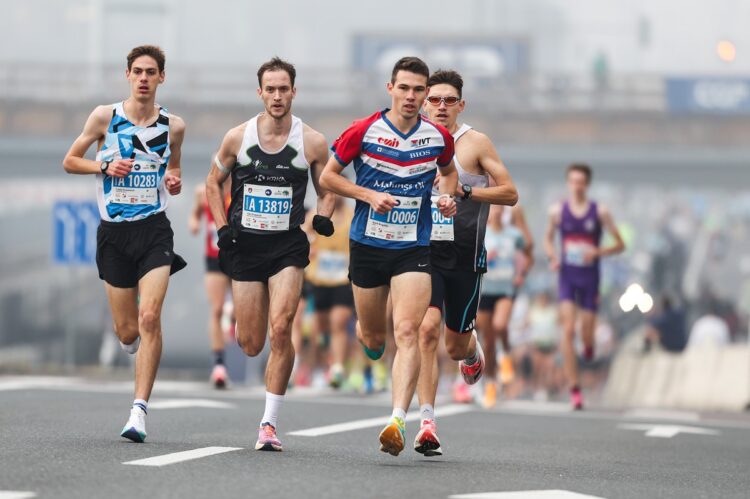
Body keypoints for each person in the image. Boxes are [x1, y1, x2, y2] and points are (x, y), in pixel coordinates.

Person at [320, 57, 458, 457]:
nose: (412, 97)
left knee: (409, 331)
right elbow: (329, 177)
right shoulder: (363, 130)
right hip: (367, 245)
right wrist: (367, 195)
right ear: (391, 88)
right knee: (375, 338)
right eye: (405, 88)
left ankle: (397, 418)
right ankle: (370, 343)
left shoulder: (437, 137)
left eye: (419, 90)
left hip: (413, 247)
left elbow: (447, 172)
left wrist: (443, 198)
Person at [205, 57, 334, 452]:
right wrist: (223, 227)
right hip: (245, 244)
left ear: (294, 91)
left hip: (287, 246)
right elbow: (213, 183)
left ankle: (268, 423)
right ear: (260, 92)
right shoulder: (237, 137)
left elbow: (328, 187)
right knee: (250, 342)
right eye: (270, 89)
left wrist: (322, 219)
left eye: (284, 89)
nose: (277, 96)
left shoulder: (311, 140)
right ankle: (251, 344)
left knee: (282, 328)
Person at [62, 45, 186, 442]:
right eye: (138, 71)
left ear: (162, 77)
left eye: (152, 71)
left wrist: (173, 180)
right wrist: (103, 165)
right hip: (113, 233)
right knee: (128, 330)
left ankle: (138, 411)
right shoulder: (105, 116)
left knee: (150, 316)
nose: (144, 78)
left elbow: (175, 165)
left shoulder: (174, 126)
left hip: (154, 230)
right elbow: (70, 160)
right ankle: (132, 341)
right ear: (128, 76)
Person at [415, 69, 518, 455]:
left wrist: (467, 191)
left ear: (461, 104)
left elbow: (509, 193)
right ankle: (427, 421)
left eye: (449, 100)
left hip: (464, 256)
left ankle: (471, 349)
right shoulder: (411, 139)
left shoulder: (475, 143)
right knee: (426, 329)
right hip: (422, 252)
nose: (441, 107)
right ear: (424, 101)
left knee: (453, 347)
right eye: (434, 99)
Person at [544, 163, 625, 410]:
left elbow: (620, 244)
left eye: (581, 182)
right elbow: (548, 240)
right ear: (568, 183)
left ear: (587, 184)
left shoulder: (600, 212)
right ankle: (575, 389)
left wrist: (597, 251)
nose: (577, 186)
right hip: (568, 276)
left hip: (590, 278)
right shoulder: (557, 211)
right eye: (573, 181)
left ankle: (588, 346)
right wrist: (554, 257)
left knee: (585, 333)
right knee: (568, 331)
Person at [476, 204, 529, 409]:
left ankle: (505, 354)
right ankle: (490, 383)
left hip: (505, 289)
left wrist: (520, 273)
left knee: (500, 325)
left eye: (499, 209)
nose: (496, 212)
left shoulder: (513, 234)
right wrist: (486, 259)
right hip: (484, 290)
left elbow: (522, 255)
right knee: (488, 343)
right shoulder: (481, 231)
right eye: (493, 209)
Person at [305, 197, 356, 388]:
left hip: (343, 278)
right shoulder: (316, 213)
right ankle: (325, 362)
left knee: (339, 323)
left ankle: (338, 368)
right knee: (322, 328)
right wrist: (309, 246)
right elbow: (304, 233)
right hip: (320, 277)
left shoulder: (352, 215)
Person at [188, 183, 232, 388]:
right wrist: (195, 222)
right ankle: (219, 365)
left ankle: (233, 317)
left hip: (240, 258)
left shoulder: (242, 187)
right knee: (216, 309)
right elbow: (195, 214)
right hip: (214, 258)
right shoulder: (202, 192)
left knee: (243, 311)